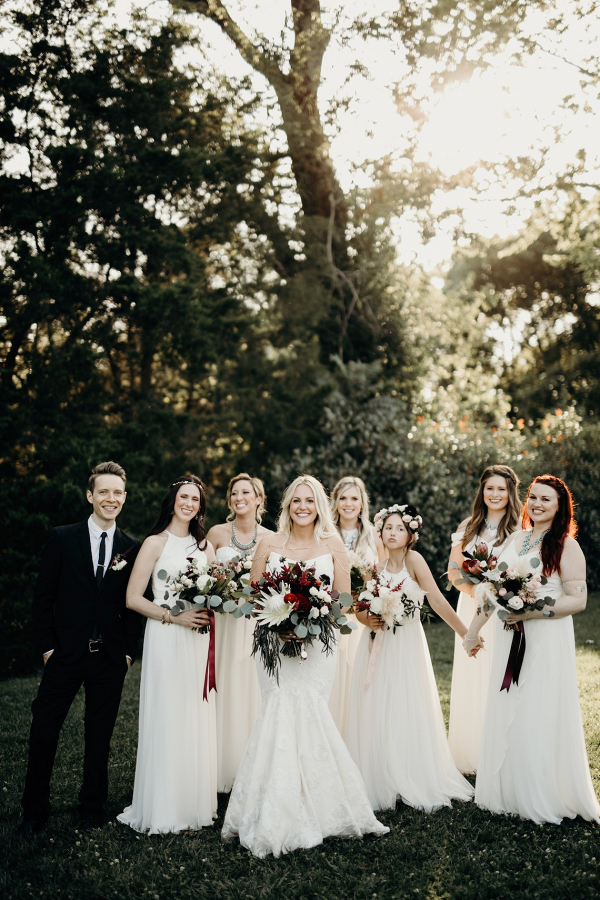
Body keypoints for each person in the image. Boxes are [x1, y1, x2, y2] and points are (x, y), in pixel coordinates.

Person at [221, 475, 389, 857]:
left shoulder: (332, 545)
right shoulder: (269, 543)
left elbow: (344, 600)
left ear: (319, 506)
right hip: (274, 649)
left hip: (318, 647)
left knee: (311, 714)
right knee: (277, 712)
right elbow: (253, 594)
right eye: (296, 501)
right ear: (287, 505)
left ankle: (321, 807)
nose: (302, 507)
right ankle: (272, 810)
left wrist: (313, 622)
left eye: (309, 501)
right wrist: (278, 626)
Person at [464, 474, 600, 824]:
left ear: (560, 508)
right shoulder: (516, 538)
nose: (537, 504)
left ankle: (538, 793)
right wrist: (473, 631)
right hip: (510, 635)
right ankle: (506, 790)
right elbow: (494, 590)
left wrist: (534, 611)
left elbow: (579, 600)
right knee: (510, 701)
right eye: (533, 498)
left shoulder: (567, 547)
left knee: (537, 707)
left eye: (546, 500)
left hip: (546, 638)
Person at [19, 461, 143, 836]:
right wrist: (47, 649)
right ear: (90, 495)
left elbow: (135, 604)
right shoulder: (62, 538)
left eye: (117, 492)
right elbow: (43, 599)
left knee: (99, 734)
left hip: (109, 657)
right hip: (64, 654)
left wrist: (127, 653)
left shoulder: (130, 548)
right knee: (44, 730)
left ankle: (91, 808)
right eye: (103, 492)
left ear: (124, 497)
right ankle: (34, 810)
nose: (110, 498)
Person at [346, 504, 474, 812]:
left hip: (406, 643)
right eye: (388, 528)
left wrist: (464, 632)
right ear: (381, 533)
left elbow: (438, 599)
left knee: (406, 703)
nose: (392, 533)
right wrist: (368, 619)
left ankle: (411, 772)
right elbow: (358, 607)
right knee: (378, 705)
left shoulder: (414, 561)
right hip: (378, 643)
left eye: (399, 528)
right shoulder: (373, 569)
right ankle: (382, 773)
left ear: (410, 535)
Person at [117, 475, 218, 834]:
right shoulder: (154, 543)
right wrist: (173, 616)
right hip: (166, 635)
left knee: (194, 714)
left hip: (197, 639)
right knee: (168, 714)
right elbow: (132, 598)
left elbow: (217, 589)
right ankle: (163, 806)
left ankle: (192, 806)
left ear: (200, 507)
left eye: (195, 499)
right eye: (183, 497)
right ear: (173, 500)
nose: (189, 503)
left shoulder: (205, 548)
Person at [447, 465, 522, 774]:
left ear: (511, 493)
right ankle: (471, 753)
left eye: (501, 489)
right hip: (471, 607)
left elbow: (520, 573)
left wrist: (496, 594)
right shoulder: (469, 525)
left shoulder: (520, 528)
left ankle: (502, 753)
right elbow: (453, 571)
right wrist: (477, 591)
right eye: (489, 488)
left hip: (505, 610)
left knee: (499, 678)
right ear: (482, 491)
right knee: (472, 674)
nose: (495, 494)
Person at [206, 473, 274, 793]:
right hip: (225, 623)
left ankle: (255, 770)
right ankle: (221, 768)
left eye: (247, 492)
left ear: (259, 499)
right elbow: (203, 577)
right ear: (230, 499)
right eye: (235, 493)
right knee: (226, 686)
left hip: (258, 623)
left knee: (254, 688)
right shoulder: (217, 533)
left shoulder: (273, 537)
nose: (240, 497)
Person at [328, 476, 385, 734]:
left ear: (363, 503)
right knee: (332, 674)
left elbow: (383, 575)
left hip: (362, 618)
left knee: (356, 674)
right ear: (335, 502)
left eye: (354, 498)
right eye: (343, 498)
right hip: (330, 614)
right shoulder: (325, 533)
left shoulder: (375, 535)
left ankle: (355, 735)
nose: (348, 504)